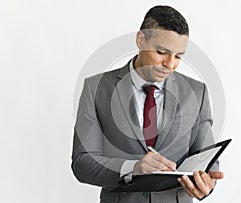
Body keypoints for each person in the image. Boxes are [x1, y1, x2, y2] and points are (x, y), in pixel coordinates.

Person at [71, 5, 224, 203]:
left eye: (178, 56)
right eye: (161, 52)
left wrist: (206, 183)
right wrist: (132, 168)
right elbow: (82, 162)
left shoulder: (197, 92)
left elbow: (206, 160)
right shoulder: (96, 88)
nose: (170, 64)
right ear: (140, 40)